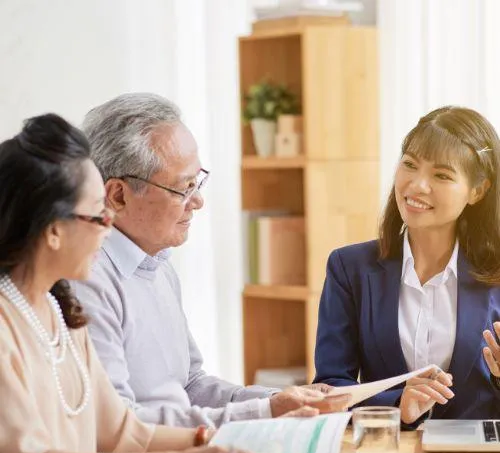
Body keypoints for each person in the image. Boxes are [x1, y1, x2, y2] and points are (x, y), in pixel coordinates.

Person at [0, 113, 252, 453]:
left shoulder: (59, 313)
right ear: (52, 231)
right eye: (99, 214)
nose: (109, 225)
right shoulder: (6, 322)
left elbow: (122, 433)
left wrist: (239, 440)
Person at [73, 92, 349, 429]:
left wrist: (279, 400)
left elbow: (191, 385)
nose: (198, 201)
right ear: (118, 195)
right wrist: (264, 413)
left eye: (197, 181)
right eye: (183, 188)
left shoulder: (158, 264)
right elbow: (118, 424)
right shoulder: (86, 279)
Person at [314, 106, 500, 427]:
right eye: (410, 165)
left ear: (477, 190)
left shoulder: (494, 274)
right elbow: (329, 388)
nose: (417, 186)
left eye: (441, 175)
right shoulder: (349, 268)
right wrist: (397, 402)